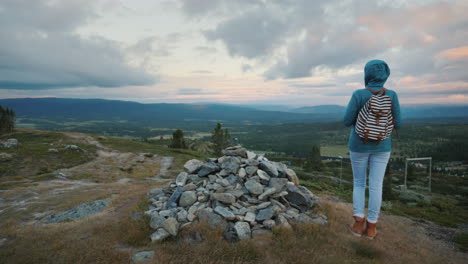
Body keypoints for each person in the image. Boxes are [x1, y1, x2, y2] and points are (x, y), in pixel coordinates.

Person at [343, 59, 401, 239]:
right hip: (382, 146)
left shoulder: (359, 94)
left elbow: (346, 121)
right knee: (376, 185)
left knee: (359, 183)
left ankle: (358, 224)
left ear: (366, 74)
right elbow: (398, 123)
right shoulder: (392, 95)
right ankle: (372, 228)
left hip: (358, 145)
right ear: (385, 75)